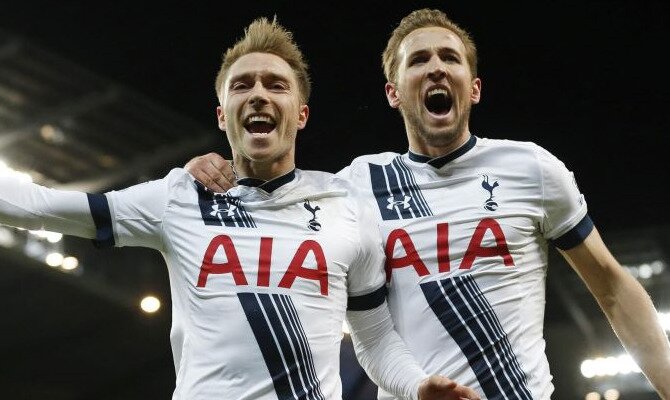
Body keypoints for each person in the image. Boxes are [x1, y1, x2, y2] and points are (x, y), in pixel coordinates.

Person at [186, 9, 670, 399]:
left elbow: (610, 285)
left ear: (473, 87)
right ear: (394, 94)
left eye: (449, 58)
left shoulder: (531, 168)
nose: (436, 66)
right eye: (418, 60)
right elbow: (263, 195)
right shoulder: (352, 187)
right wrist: (204, 172)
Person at [0, 17, 481, 400]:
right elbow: (38, 205)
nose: (257, 94)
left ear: (301, 113)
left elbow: (375, 340)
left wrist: (418, 385)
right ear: (222, 114)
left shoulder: (347, 205)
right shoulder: (180, 197)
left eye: (275, 85)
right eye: (241, 86)